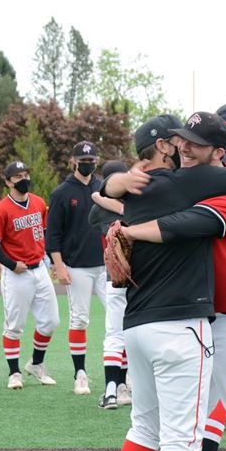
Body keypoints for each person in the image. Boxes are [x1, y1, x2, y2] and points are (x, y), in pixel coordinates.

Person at [105, 113, 226, 451]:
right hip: (192, 322)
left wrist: (126, 226)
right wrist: (114, 185)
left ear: (219, 152)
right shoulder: (174, 184)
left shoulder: (225, 193)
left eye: (195, 142)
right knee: (178, 431)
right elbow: (102, 204)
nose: (184, 147)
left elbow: (184, 225)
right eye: (181, 139)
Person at [0, 161, 60, 390]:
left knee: (50, 321)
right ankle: (14, 372)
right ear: (8, 182)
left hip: (40, 269)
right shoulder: (1, 209)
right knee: (15, 326)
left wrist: (52, 261)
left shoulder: (37, 202)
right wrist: (8, 263)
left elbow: (44, 233)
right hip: (16, 274)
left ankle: (36, 363)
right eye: (18, 176)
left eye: (26, 174)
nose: (24, 178)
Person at [46, 141, 106, 395]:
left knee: (119, 318)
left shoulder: (103, 186)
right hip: (77, 266)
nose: (87, 163)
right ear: (73, 161)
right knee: (80, 319)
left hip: (106, 265)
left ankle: (125, 376)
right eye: (83, 159)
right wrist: (59, 266)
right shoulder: (62, 192)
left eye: (91, 159)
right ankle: (79, 373)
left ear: (97, 160)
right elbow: (53, 234)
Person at [89, 160, 132, 410]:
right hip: (143, 279)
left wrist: (98, 196)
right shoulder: (138, 200)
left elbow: (94, 215)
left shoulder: (98, 208)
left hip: (114, 278)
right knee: (134, 334)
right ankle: (126, 386)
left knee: (114, 334)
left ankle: (111, 391)